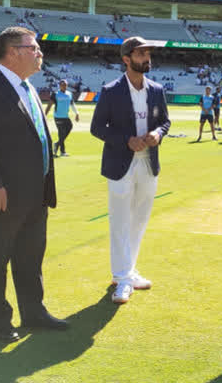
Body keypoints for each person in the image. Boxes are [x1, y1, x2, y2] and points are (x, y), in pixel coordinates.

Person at [0, 26, 67, 343]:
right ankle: (0, 320)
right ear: (12, 52)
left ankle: (33, 310)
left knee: (31, 257)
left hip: (35, 195)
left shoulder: (29, 88)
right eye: (33, 48)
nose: (40, 53)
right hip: (1, 195)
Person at [90, 36, 171, 304]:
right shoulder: (111, 90)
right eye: (141, 53)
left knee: (139, 221)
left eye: (148, 53)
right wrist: (126, 139)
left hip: (149, 163)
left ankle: (128, 271)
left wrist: (158, 134)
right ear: (126, 59)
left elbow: (165, 122)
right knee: (120, 222)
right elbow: (98, 127)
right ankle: (122, 279)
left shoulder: (157, 89)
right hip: (120, 164)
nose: (147, 58)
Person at [45, 79, 80, 157]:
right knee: (61, 133)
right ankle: (62, 152)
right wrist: (45, 115)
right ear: (59, 85)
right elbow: (49, 105)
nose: (64, 86)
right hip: (58, 116)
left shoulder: (69, 94)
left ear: (67, 85)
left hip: (65, 117)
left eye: (65, 85)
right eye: (62, 85)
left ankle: (57, 144)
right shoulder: (55, 94)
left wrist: (77, 113)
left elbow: (72, 104)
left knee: (70, 127)